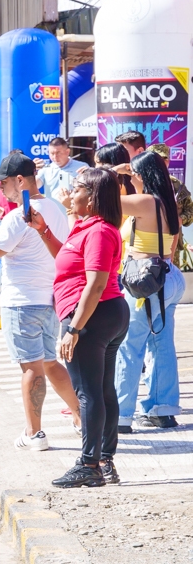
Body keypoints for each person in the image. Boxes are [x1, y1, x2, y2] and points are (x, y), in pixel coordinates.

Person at [0, 150, 81, 452]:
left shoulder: (16, 217)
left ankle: (34, 433)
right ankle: (81, 416)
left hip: (21, 302)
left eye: (5, 183)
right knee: (50, 363)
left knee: (31, 368)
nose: (0, 189)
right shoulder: (53, 207)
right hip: (49, 299)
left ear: (20, 180)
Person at [33, 167, 130, 488]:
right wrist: (44, 230)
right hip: (98, 314)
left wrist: (74, 329)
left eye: (76, 188)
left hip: (92, 316)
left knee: (88, 393)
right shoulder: (85, 226)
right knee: (101, 390)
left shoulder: (100, 231)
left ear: (92, 198)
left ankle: (90, 464)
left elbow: (97, 283)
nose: (69, 193)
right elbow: (68, 260)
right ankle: (103, 462)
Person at [114, 149, 183, 432]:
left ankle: (120, 415)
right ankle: (163, 409)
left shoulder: (144, 201)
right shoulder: (168, 202)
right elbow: (172, 246)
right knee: (162, 344)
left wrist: (110, 173)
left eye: (134, 173)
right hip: (167, 277)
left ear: (140, 175)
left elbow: (101, 200)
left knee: (130, 347)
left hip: (145, 283)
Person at [37, 137, 87, 204]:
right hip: (52, 212)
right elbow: (34, 185)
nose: (55, 157)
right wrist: (31, 171)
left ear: (67, 152)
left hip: (74, 212)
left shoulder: (81, 167)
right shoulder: (45, 169)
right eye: (52, 153)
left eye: (58, 153)